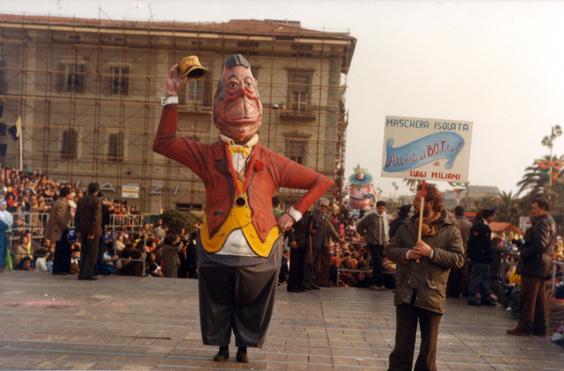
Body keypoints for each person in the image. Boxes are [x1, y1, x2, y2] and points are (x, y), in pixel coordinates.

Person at [153, 53, 333, 363]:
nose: (242, 92)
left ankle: (244, 346)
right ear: (217, 104)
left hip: (260, 248)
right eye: (232, 85)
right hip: (216, 246)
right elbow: (164, 142)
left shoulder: (273, 161)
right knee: (217, 300)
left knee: (253, 303)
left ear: (260, 102)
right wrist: (171, 95)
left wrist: (294, 213)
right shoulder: (207, 155)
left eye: (249, 84)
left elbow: (321, 181)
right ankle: (222, 345)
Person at [387, 183, 464, 371]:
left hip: (432, 294)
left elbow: (459, 259)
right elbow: (390, 250)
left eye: (418, 198)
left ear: (430, 202)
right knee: (402, 348)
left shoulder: (450, 229)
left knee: (428, 352)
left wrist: (431, 253)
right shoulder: (408, 225)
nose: (414, 201)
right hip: (407, 293)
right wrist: (406, 254)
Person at [507, 197, 557, 336]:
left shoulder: (543, 222)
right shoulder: (549, 221)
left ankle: (524, 327)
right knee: (538, 300)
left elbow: (540, 244)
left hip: (534, 265)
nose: (533, 210)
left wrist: (524, 252)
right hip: (541, 265)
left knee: (528, 298)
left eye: (535, 208)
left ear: (543, 208)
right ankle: (539, 328)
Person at [304, 198, 341, 289]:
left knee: (316, 264)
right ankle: (307, 282)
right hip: (314, 243)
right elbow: (309, 229)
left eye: (325, 206)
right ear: (319, 205)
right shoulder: (314, 215)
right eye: (322, 206)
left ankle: (312, 281)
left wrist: (338, 238)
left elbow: (329, 229)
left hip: (322, 243)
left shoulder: (324, 215)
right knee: (310, 263)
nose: (324, 208)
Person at [356, 200, 390, 290]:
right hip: (372, 242)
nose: (381, 210)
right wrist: (364, 235)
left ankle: (376, 283)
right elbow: (359, 225)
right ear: (376, 207)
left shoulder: (385, 217)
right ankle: (379, 282)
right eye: (380, 208)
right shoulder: (371, 216)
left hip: (382, 243)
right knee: (378, 261)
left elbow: (387, 230)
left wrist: (387, 240)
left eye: (383, 208)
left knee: (378, 263)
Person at [467, 208, 496, 306]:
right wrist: (473, 255)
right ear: (489, 216)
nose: (494, 218)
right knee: (477, 277)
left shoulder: (483, 225)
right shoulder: (479, 225)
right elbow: (473, 242)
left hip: (484, 257)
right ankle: (472, 296)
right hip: (480, 256)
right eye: (493, 215)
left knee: (484, 277)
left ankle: (485, 296)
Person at [75, 182, 102, 280]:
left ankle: (81, 273)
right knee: (92, 253)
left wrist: (77, 229)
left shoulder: (81, 200)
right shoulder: (96, 200)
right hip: (92, 230)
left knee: (84, 251)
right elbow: (96, 218)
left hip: (83, 229)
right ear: (97, 190)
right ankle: (87, 274)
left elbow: (77, 216)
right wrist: (92, 232)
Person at [44, 187, 73, 275]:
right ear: (67, 194)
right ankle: (60, 269)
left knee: (62, 249)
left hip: (59, 229)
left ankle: (62, 269)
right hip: (60, 230)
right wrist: (65, 228)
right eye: (71, 193)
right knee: (62, 250)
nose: (72, 195)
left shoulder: (59, 202)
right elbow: (60, 218)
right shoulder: (62, 203)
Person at [447, 205, 472, 298]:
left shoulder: (450, 223)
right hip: (465, 251)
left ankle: (453, 292)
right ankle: (464, 292)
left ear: (455, 212)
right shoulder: (469, 224)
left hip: (451, 250)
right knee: (464, 273)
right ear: (463, 212)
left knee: (452, 272)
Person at [286, 210, 311, 293]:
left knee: (302, 265)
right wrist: (292, 239)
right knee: (294, 265)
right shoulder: (295, 214)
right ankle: (292, 286)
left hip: (304, 242)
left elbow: (308, 229)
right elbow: (289, 227)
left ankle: (300, 285)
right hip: (295, 243)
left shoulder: (308, 215)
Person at [0, 200, 14, 271]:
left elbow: (10, 223)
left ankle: (2, 265)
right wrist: (6, 226)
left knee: (4, 250)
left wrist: (9, 230)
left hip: (4, 235)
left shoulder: (8, 214)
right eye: (2, 205)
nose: (4, 206)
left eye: (5, 205)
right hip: (1, 234)